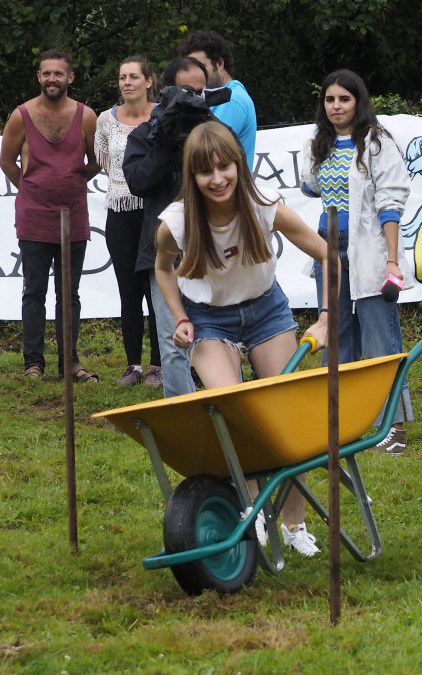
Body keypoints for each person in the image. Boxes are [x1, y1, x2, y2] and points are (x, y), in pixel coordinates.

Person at [154, 121, 333, 556]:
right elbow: (162, 268)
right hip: (209, 319)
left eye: (225, 167)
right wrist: (180, 317)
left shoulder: (262, 205)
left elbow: (329, 255)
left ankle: (294, 524)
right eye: (205, 172)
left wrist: (327, 315)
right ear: (191, 177)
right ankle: (253, 516)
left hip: (265, 311)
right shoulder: (175, 223)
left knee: (287, 417)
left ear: (239, 165)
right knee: (232, 409)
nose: (217, 179)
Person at [300, 69, 414, 455]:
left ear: (358, 101)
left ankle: (391, 428)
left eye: (343, 99)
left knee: (379, 334)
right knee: (334, 333)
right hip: (327, 247)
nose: (336, 106)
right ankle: (341, 426)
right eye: (329, 99)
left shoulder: (377, 142)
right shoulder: (318, 143)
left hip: (370, 247)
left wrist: (392, 259)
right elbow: (309, 185)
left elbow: (391, 202)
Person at [0, 48, 100, 382]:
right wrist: (30, 188)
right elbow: (6, 161)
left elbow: (97, 160)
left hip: (74, 216)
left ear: (70, 77)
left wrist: (73, 182)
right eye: (46, 73)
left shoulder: (86, 116)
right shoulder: (21, 115)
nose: (52, 79)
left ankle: (69, 363)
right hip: (34, 218)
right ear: (39, 77)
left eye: (58, 73)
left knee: (68, 294)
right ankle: (33, 364)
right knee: (34, 291)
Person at [122, 56, 209, 397]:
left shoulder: (213, 131)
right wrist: (165, 138)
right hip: (163, 252)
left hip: (212, 248)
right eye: (186, 92)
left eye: (200, 92)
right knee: (172, 340)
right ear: (165, 92)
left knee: (220, 336)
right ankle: (183, 416)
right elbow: (138, 183)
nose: (193, 100)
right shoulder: (147, 135)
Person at [94, 55, 162, 387]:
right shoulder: (106, 119)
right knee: (128, 290)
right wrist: (125, 187)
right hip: (120, 210)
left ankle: (158, 365)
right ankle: (133, 365)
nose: (127, 83)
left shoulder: (162, 115)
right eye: (122, 77)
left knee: (157, 289)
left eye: (134, 76)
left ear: (149, 81)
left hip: (154, 211)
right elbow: (106, 161)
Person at [177, 30, 257, 168]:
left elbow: (206, 149)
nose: (196, 74)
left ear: (220, 64)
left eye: (201, 67)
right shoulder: (216, 96)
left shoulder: (232, 99)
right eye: (191, 68)